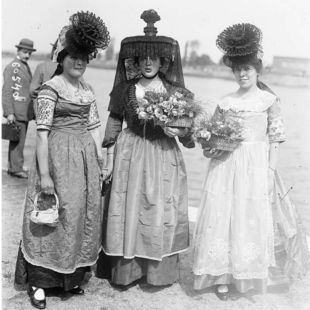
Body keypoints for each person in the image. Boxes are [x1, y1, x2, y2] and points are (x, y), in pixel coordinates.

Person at [192, 23, 310, 300]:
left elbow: (276, 138)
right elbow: (215, 135)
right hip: (226, 166)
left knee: (251, 218)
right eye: (238, 69)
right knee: (223, 217)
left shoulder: (268, 100)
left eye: (248, 68)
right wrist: (208, 145)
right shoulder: (226, 101)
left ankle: (247, 277)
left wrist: (270, 170)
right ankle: (221, 276)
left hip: (256, 166)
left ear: (257, 70)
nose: (242, 74)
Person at [14, 11, 110, 309]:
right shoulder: (51, 89)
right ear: (62, 59)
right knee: (52, 214)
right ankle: (40, 284)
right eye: (73, 57)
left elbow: (94, 128)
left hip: (82, 161)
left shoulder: (87, 91)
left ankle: (70, 279)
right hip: (56, 156)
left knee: (79, 213)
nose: (78, 62)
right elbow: (41, 135)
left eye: (83, 58)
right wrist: (45, 174)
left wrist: (99, 161)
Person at [96, 9, 195, 286]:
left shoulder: (176, 92)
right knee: (129, 208)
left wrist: (182, 132)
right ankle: (127, 270)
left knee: (159, 208)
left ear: (163, 60)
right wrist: (108, 159)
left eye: (154, 58)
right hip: (130, 153)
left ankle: (156, 273)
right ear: (136, 61)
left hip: (163, 154)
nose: (149, 63)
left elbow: (188, 135)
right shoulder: (125, 88)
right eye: (143, 58)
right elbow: (114, 123)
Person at [2, 38, 36, 178]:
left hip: (23, 111)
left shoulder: (23, 65)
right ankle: (16, 169)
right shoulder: (13, 67)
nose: (27, 55)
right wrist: (9, 112)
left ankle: (13, 167)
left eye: (29, 53)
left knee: (17, 139)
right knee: (18, 140)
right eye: (24, 52)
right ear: (18, 51)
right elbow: (7, 91)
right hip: (17, 111)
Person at [30, 40, 58, 116]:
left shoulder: (42, 66)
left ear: (54, 50)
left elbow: (32, 90)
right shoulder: (73, 69)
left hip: (44, 111)